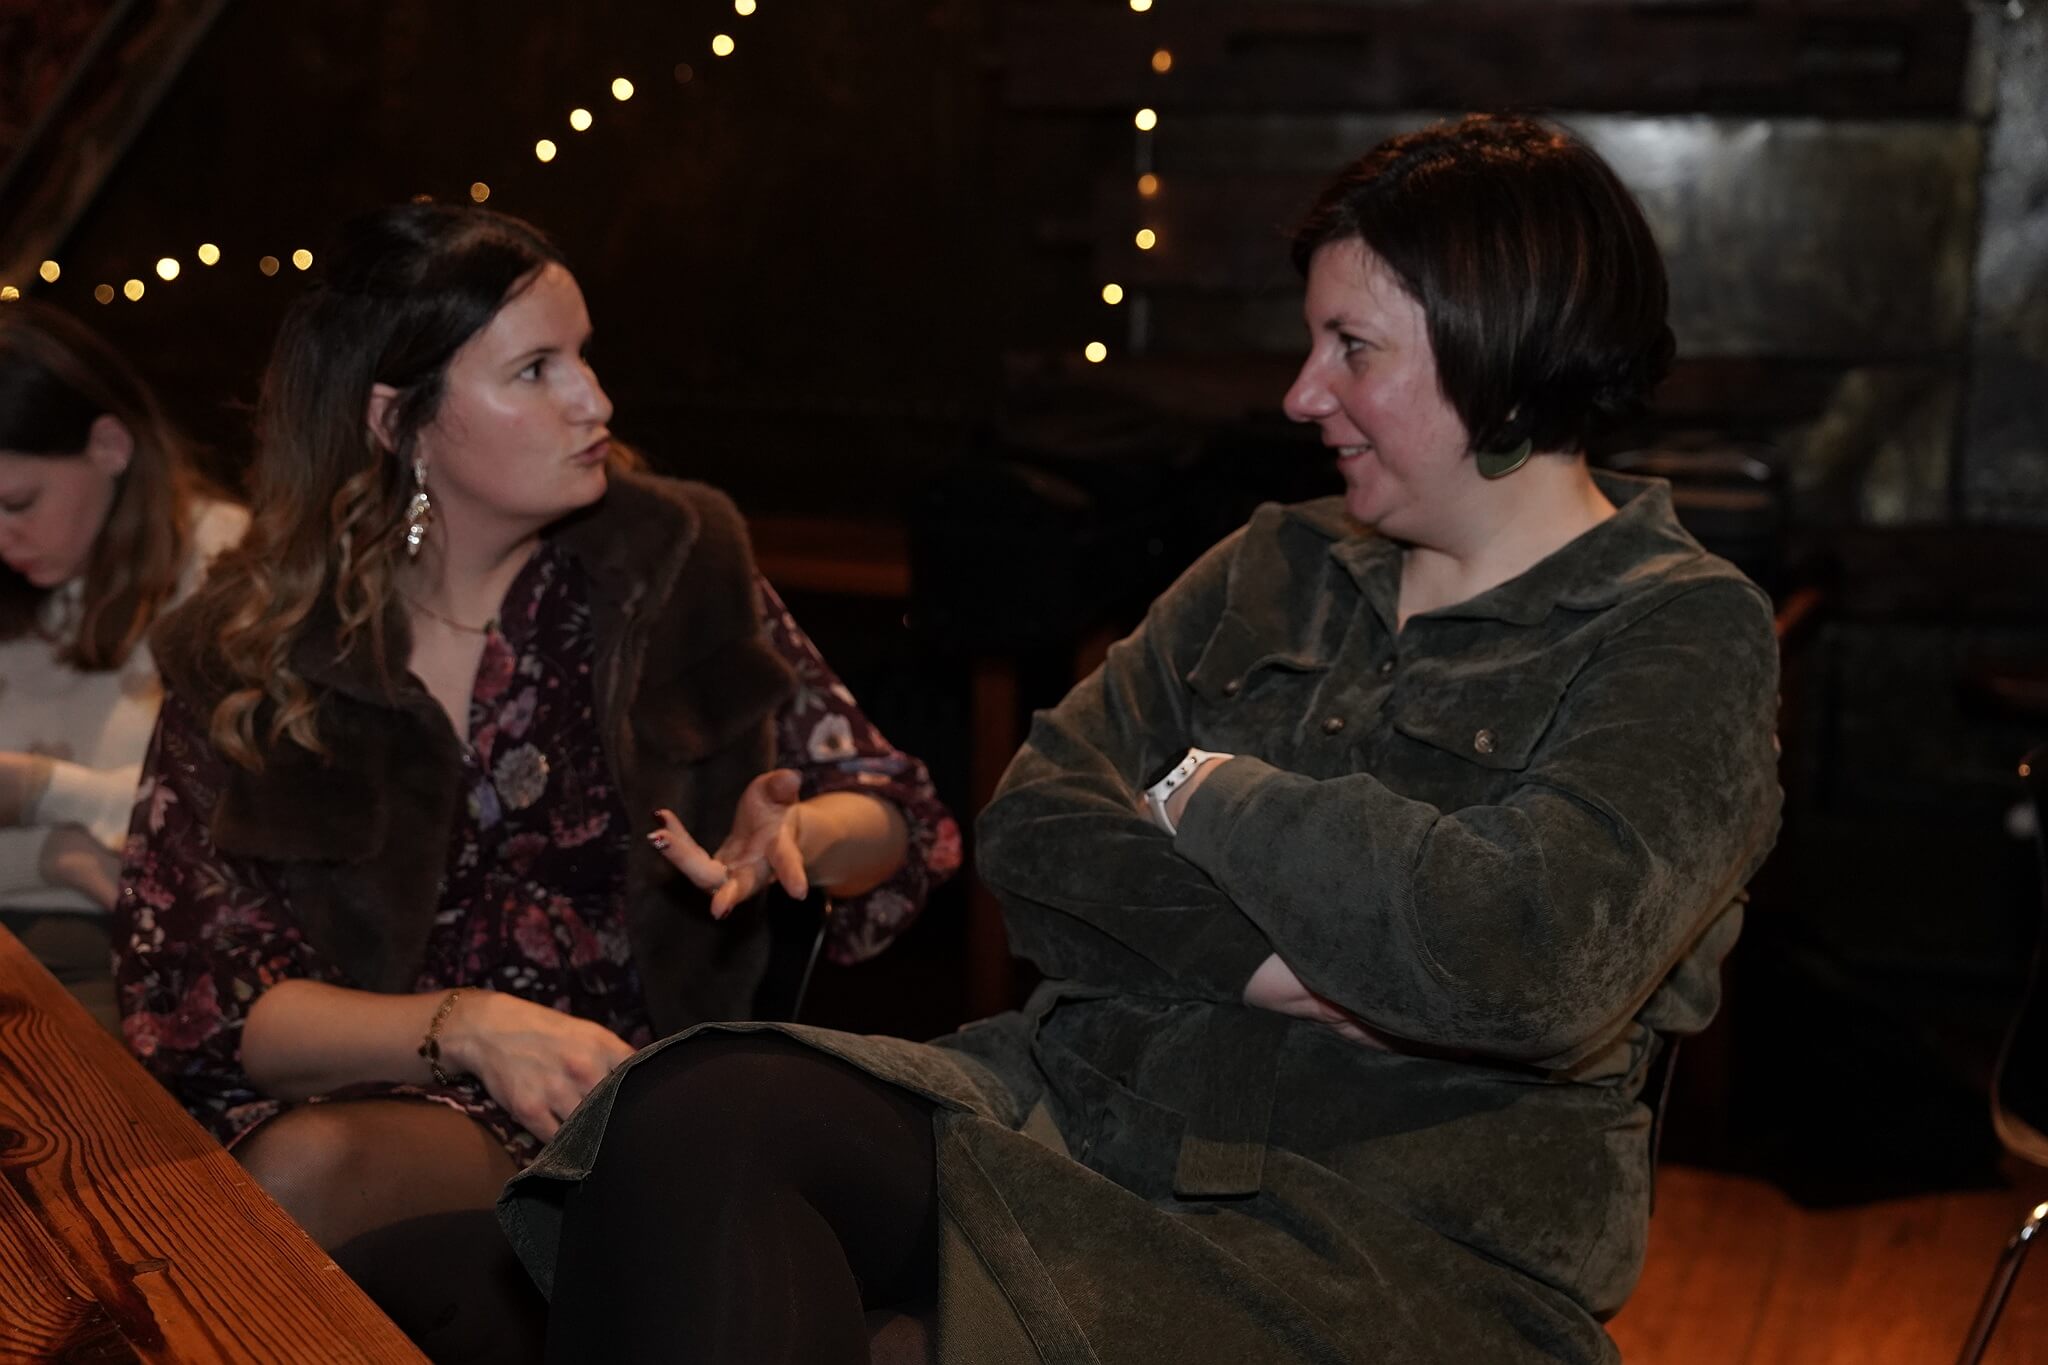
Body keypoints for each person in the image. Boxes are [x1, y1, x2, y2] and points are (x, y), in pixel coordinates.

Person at [502, 113, 1785, 1364]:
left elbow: (1524, 960)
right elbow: (1034, 828)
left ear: (1500, 351)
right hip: (1070, 1115)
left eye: (1351, 347)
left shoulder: (1679, 630)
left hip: (1379, 1239)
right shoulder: (1276, 562)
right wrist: (1271, 965)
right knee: (690, 1113)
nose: (1301, 394)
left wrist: (1205, 790)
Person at [114, 203, 959, 1359]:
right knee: (303, 1175)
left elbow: (899, 817)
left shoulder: (675, 564)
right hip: (383, 1096)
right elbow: (192, 1000)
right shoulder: (249, 649)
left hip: (651, 1091)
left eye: (584, 355)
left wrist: (804, 834)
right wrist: (466, 1029)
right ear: (397, 421)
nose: (594, 401)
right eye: (535, 369)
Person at [0, 300, 245, 1030]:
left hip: (115, 946)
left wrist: (41, 792)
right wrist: (59, 854)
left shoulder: (227, 568)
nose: (2, 538)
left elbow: (224, 821)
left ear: (110, 445)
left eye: (18, 501)